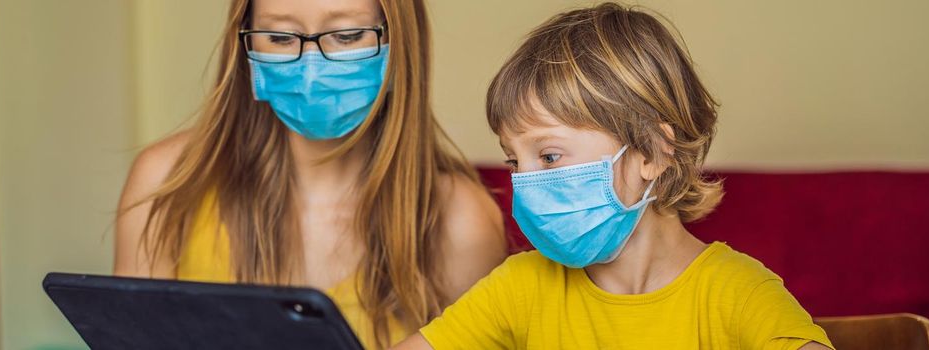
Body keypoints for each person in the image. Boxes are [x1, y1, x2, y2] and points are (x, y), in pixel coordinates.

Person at [393, 3, 833, 349]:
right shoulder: (520, 286)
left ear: (652, 152)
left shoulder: (737, 293)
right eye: (513, 162)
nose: (524, 184)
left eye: (547, 157)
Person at [113, 0, 507, 348]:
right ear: (246, 44)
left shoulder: (460, 220)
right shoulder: (168, 181)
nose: (311, 67)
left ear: (400, 40)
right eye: (281, 37)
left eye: (348, 35)